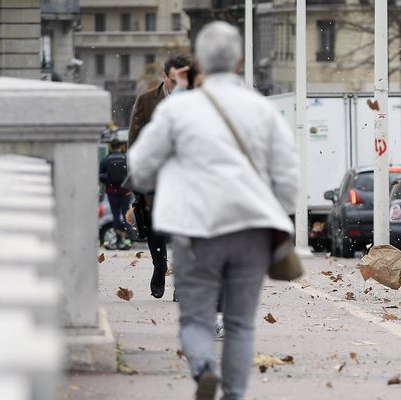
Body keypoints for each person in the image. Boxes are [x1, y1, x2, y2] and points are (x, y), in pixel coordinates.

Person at [128, 21, 299, 400]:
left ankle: (204, 365)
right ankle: (235, 395)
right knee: (239, 323)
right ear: (238, 62)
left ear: (199, 62)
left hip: (196, 227)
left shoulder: (178, 109)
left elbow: (139, 167)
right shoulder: (262, 110)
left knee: (194, 316)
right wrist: (280, 215)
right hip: (250, 228)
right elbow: (288, 179)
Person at [128, 55, 191, 299]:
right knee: (155, 227)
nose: (178, 86)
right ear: (164, 77)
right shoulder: (145, 101)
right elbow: (134, 140)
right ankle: (160, 267)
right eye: (173, 80)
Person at [99, 139, 131, 250]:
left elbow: (100, 175)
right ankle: (127, 241)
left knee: (116, 216)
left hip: (112, 192)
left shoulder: (106, 160)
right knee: (126, 216)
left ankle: (118, 240)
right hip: (125, 191)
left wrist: (109, 180)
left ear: (111, 147)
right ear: (120, 147)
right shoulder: (125, 158)